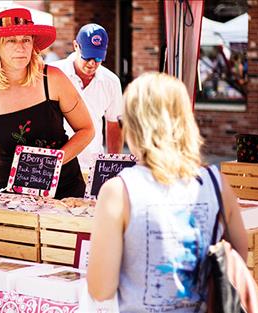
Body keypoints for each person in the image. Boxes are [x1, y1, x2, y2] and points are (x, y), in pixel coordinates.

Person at [86, 73, 247, 312]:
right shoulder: (217, 184)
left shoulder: (118, 192)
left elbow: (101, 289)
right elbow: (238, 260)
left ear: (133, 125)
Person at [0, 8, 94, 201]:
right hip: (8, 201)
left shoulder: (53, 79)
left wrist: (54, 162)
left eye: (26, 40)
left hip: (64, 197)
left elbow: (86, 129)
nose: (20, 47)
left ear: (33, 45)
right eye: (11, 40)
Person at [51, 23, 123, 169]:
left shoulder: (111, 81)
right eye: (88, 56)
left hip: (91, 163)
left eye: (98, 58)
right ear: (76, 46)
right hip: (57, 162)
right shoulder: (54, 73)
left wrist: (113, 166)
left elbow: (113, 125)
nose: (92, 63)